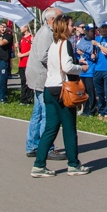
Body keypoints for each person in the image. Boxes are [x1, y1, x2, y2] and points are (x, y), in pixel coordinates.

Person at [31, 15, 90, 177]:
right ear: (64, 27)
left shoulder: (53, 44)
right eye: (71, 25)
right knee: (69, 128)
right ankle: (73, 164)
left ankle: (39, 164)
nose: (73, 28)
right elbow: (67, 66)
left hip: (49, 88)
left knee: (50, 129)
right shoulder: (66, 44)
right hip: (62, 89)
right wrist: (81, 68)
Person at [25, 7, 66, 161]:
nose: (63, 20)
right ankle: (46, 147)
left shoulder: (47, 32)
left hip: (38, 75)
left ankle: (33, 145)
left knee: (38, 112)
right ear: (52, 20)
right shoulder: (46, 33)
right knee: (46, 113)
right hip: (41, 76)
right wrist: (60, 62)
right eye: (61, 17)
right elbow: (44, 56)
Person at [92, 22, 107, 122]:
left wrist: (98, 45)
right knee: (99, 92)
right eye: (102, 27)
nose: (104, 29)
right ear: (99, 29)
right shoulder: (96, 39)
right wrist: (93, 55)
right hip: (98, 68)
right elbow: (94, 53)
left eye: (106, 27)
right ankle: (101, 111)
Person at [75, 24, 97, 116]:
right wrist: (79, 60)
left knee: (90, 90)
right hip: (82, 71)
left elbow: (93, 57)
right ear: (87, 32)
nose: (93, 33)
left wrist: (84, 53)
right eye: (91, 31)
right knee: (83, 91)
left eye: (94, 31)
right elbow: (76, 53)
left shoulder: (94, 42)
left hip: (90, 70)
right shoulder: (81, 41)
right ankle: (85, 109)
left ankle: (92, 110)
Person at [0, 22, 14, 103]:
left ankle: (3, 98)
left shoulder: (8, 36)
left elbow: (1, 43)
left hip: (3, 61)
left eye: (4, 27)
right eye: (1, 27)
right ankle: (0, 95)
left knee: (2, 80)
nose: (2, 29)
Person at [17, 24, 34, 105]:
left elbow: (32, 50)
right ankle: (23, 98)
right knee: (23, 81)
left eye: (22, 26)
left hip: (28, 63)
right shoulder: (21, 38)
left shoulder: (31, 37)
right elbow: (21, 49)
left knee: (28, 82)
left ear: (26, 27)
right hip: (21, 63)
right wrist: (18, 47)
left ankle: (28, 99)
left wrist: (22, 55)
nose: (20, 28)